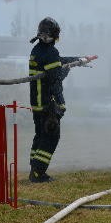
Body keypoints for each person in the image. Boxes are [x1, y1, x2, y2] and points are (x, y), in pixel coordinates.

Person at [28, 17, 82, 183]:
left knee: (40, 135)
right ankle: (38, 172)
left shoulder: (37, 50)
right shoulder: (51, 52)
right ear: (56, 36)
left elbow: (54, 64)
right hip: (48, 104)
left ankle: (34, 169)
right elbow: (56, 77)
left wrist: (74, 60)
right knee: (51, 137)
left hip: (37, 103)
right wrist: (68, 68)